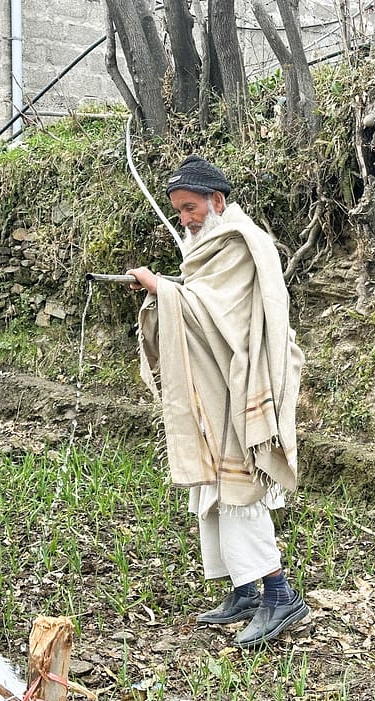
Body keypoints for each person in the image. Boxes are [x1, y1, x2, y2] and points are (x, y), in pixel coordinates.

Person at [126, 155, 308, 650]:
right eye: (178, 211)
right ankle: (245, 590)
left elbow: (214, 310)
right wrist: (171, 289)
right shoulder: (210, 245)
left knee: (240, 485)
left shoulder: (237, 242)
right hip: (220, 378)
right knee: (216, 483)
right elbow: (205, 301)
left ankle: (280, 594)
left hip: (246, 377)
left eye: (189, 208)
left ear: (217, 201)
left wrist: (160, 287)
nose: (184, 219)